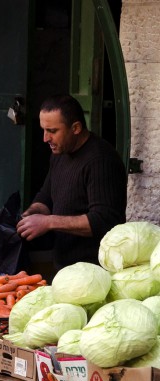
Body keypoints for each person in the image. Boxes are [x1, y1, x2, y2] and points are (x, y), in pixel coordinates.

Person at [16, 94, 127, 269]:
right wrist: (30, 216)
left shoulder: (101, 160)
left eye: (52, 131)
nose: (45, 139)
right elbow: (46, 196)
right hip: (64, 266)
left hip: (94, 270)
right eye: (43, 130)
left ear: (75, 127)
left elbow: (104, 220)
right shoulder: (60, 153)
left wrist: (48, 222)